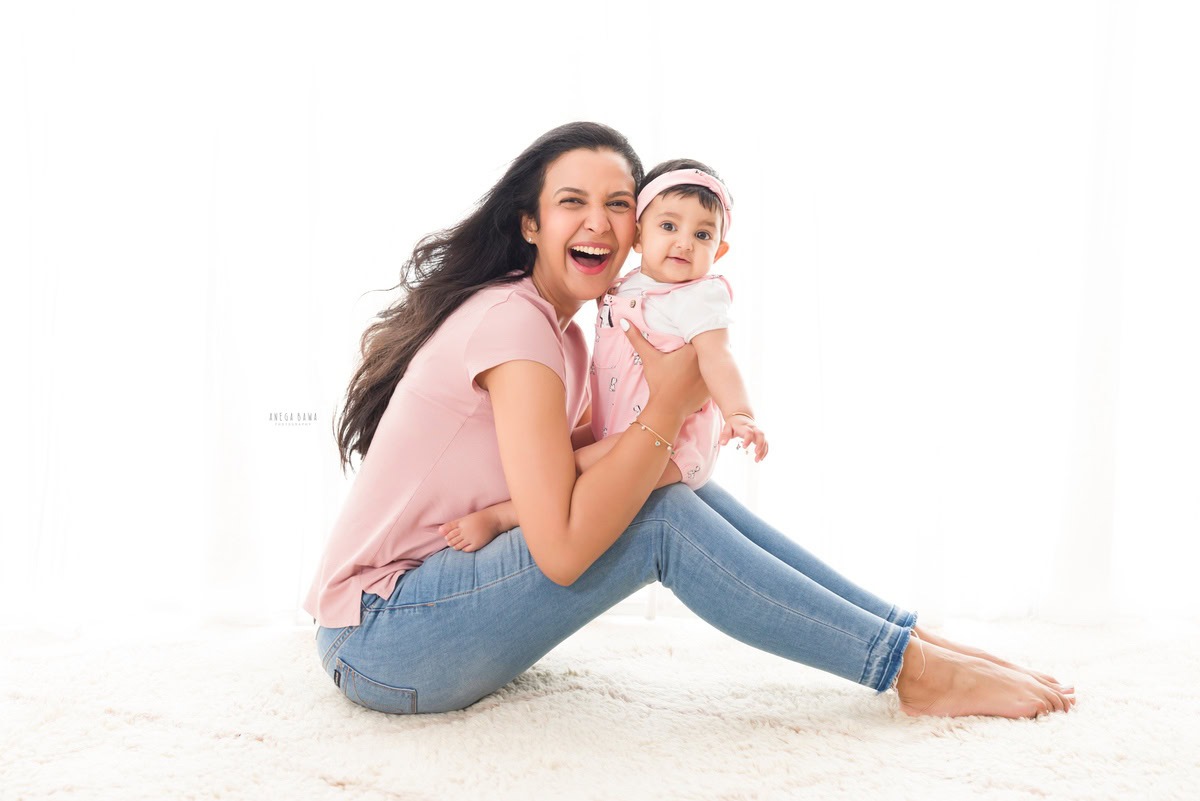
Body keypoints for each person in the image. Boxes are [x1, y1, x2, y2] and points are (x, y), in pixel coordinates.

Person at [306, 121, 1077, 719]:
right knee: (661, 512)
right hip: (384, 639)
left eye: (618, 204)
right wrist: (673, 405)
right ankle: (912, 668)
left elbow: (593, 477)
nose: (600, 224)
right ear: (531, 223)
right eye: (572, 201)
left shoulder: (569, 331)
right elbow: (566, 550)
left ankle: (911, 640)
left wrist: (667, 426)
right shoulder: (515, 326)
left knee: (670, 485)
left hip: (423, 615)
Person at [438, 158, 766, 553]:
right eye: (668, 226)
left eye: (702, 235)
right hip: (617, 426)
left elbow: (719, 358)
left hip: (671, 442)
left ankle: (503, 516)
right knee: (556, 456)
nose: (684, 242)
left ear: (720, 249)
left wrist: (740, 414)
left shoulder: (698, 297)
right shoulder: (626, 286)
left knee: (571, 471)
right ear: (639, 237)